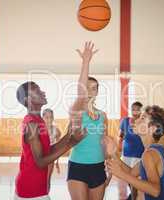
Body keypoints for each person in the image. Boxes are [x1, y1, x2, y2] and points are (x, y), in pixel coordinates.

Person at [15, 81, 85, 200]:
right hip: (31, 190)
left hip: (35, 187)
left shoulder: (38, 120)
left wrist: (68, 136)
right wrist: (71, 144)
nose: (43, 92)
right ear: (28, 100)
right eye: (37, 90)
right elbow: (41, 162)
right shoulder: (32, 124)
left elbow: (47, 150)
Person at [106, 105, 164, 200]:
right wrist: (114, 154)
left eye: (142, 118)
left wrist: (121, 174)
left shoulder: (149, 154)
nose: (136, 120)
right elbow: (131, 172)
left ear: (153, 128)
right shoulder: (154, 150)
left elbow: (155, 190)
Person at [67, 41, 111, 200]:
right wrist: (86, 62)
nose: (90, 91)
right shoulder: (77, 110)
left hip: (98, 167)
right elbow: (81, 93)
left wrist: (110, 166)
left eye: (94, 88)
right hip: (78, 166)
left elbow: (104, 142)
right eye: (88, 87)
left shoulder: (103, 116)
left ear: (98, 91)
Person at [118, 101, 145, 200]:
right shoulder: (125, 121)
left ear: (141, 111)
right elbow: (120, 135)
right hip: (126, 155)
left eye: (138, 110)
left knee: (134, 177)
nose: (135, 112)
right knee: (128, 177)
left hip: (138, 155)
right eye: (133, 109)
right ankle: (133, 194)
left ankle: (134, 196)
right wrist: (119, 145)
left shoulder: (143, 123)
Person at [42, 108, 62, 190]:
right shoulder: (39, 130)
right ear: (42, 118)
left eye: (51, 117)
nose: (49, 119)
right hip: (41, 157)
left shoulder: (56, 130)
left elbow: (57, 146)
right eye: (46, 117)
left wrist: (57, 161)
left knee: (47, 179)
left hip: (50, 158)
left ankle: (46, 194)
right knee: (40, 178)